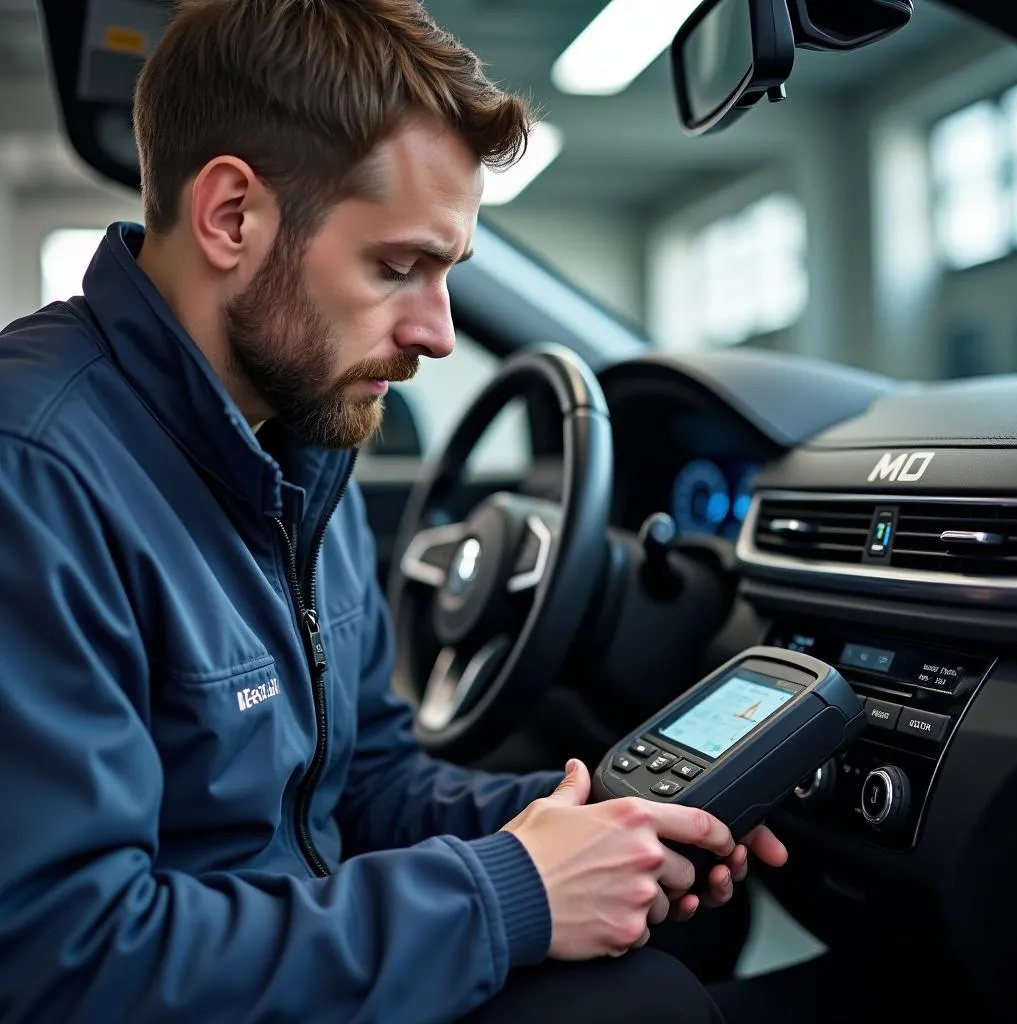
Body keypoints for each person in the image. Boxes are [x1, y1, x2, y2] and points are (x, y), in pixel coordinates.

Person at [0, 1, 788, 1021]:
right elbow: (67, 960)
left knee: (680, 918)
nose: (438, 332)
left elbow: (360, 786)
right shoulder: (36, 470)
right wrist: (510, 892)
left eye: (447, 273)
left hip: (276, 954)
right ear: (232, 215)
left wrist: (588, 823)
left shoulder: (291, 441)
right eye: (397, 266)